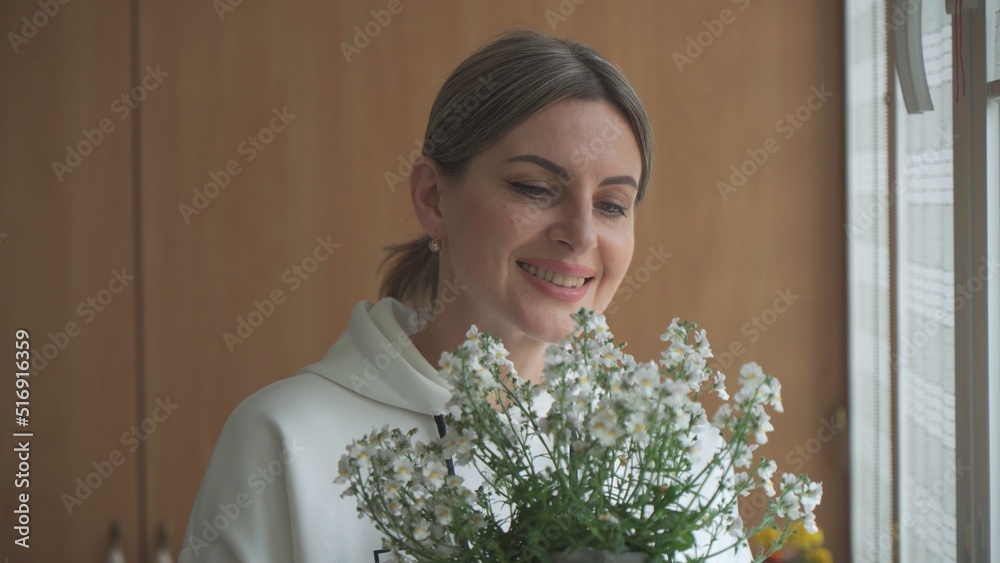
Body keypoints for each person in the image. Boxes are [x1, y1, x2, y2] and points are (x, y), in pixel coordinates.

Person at [179, 28, 750, 562]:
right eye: (535, 188)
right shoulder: (284, 441)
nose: (580, 234)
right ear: (432, 198)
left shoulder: (677, 451)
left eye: (611, 205)